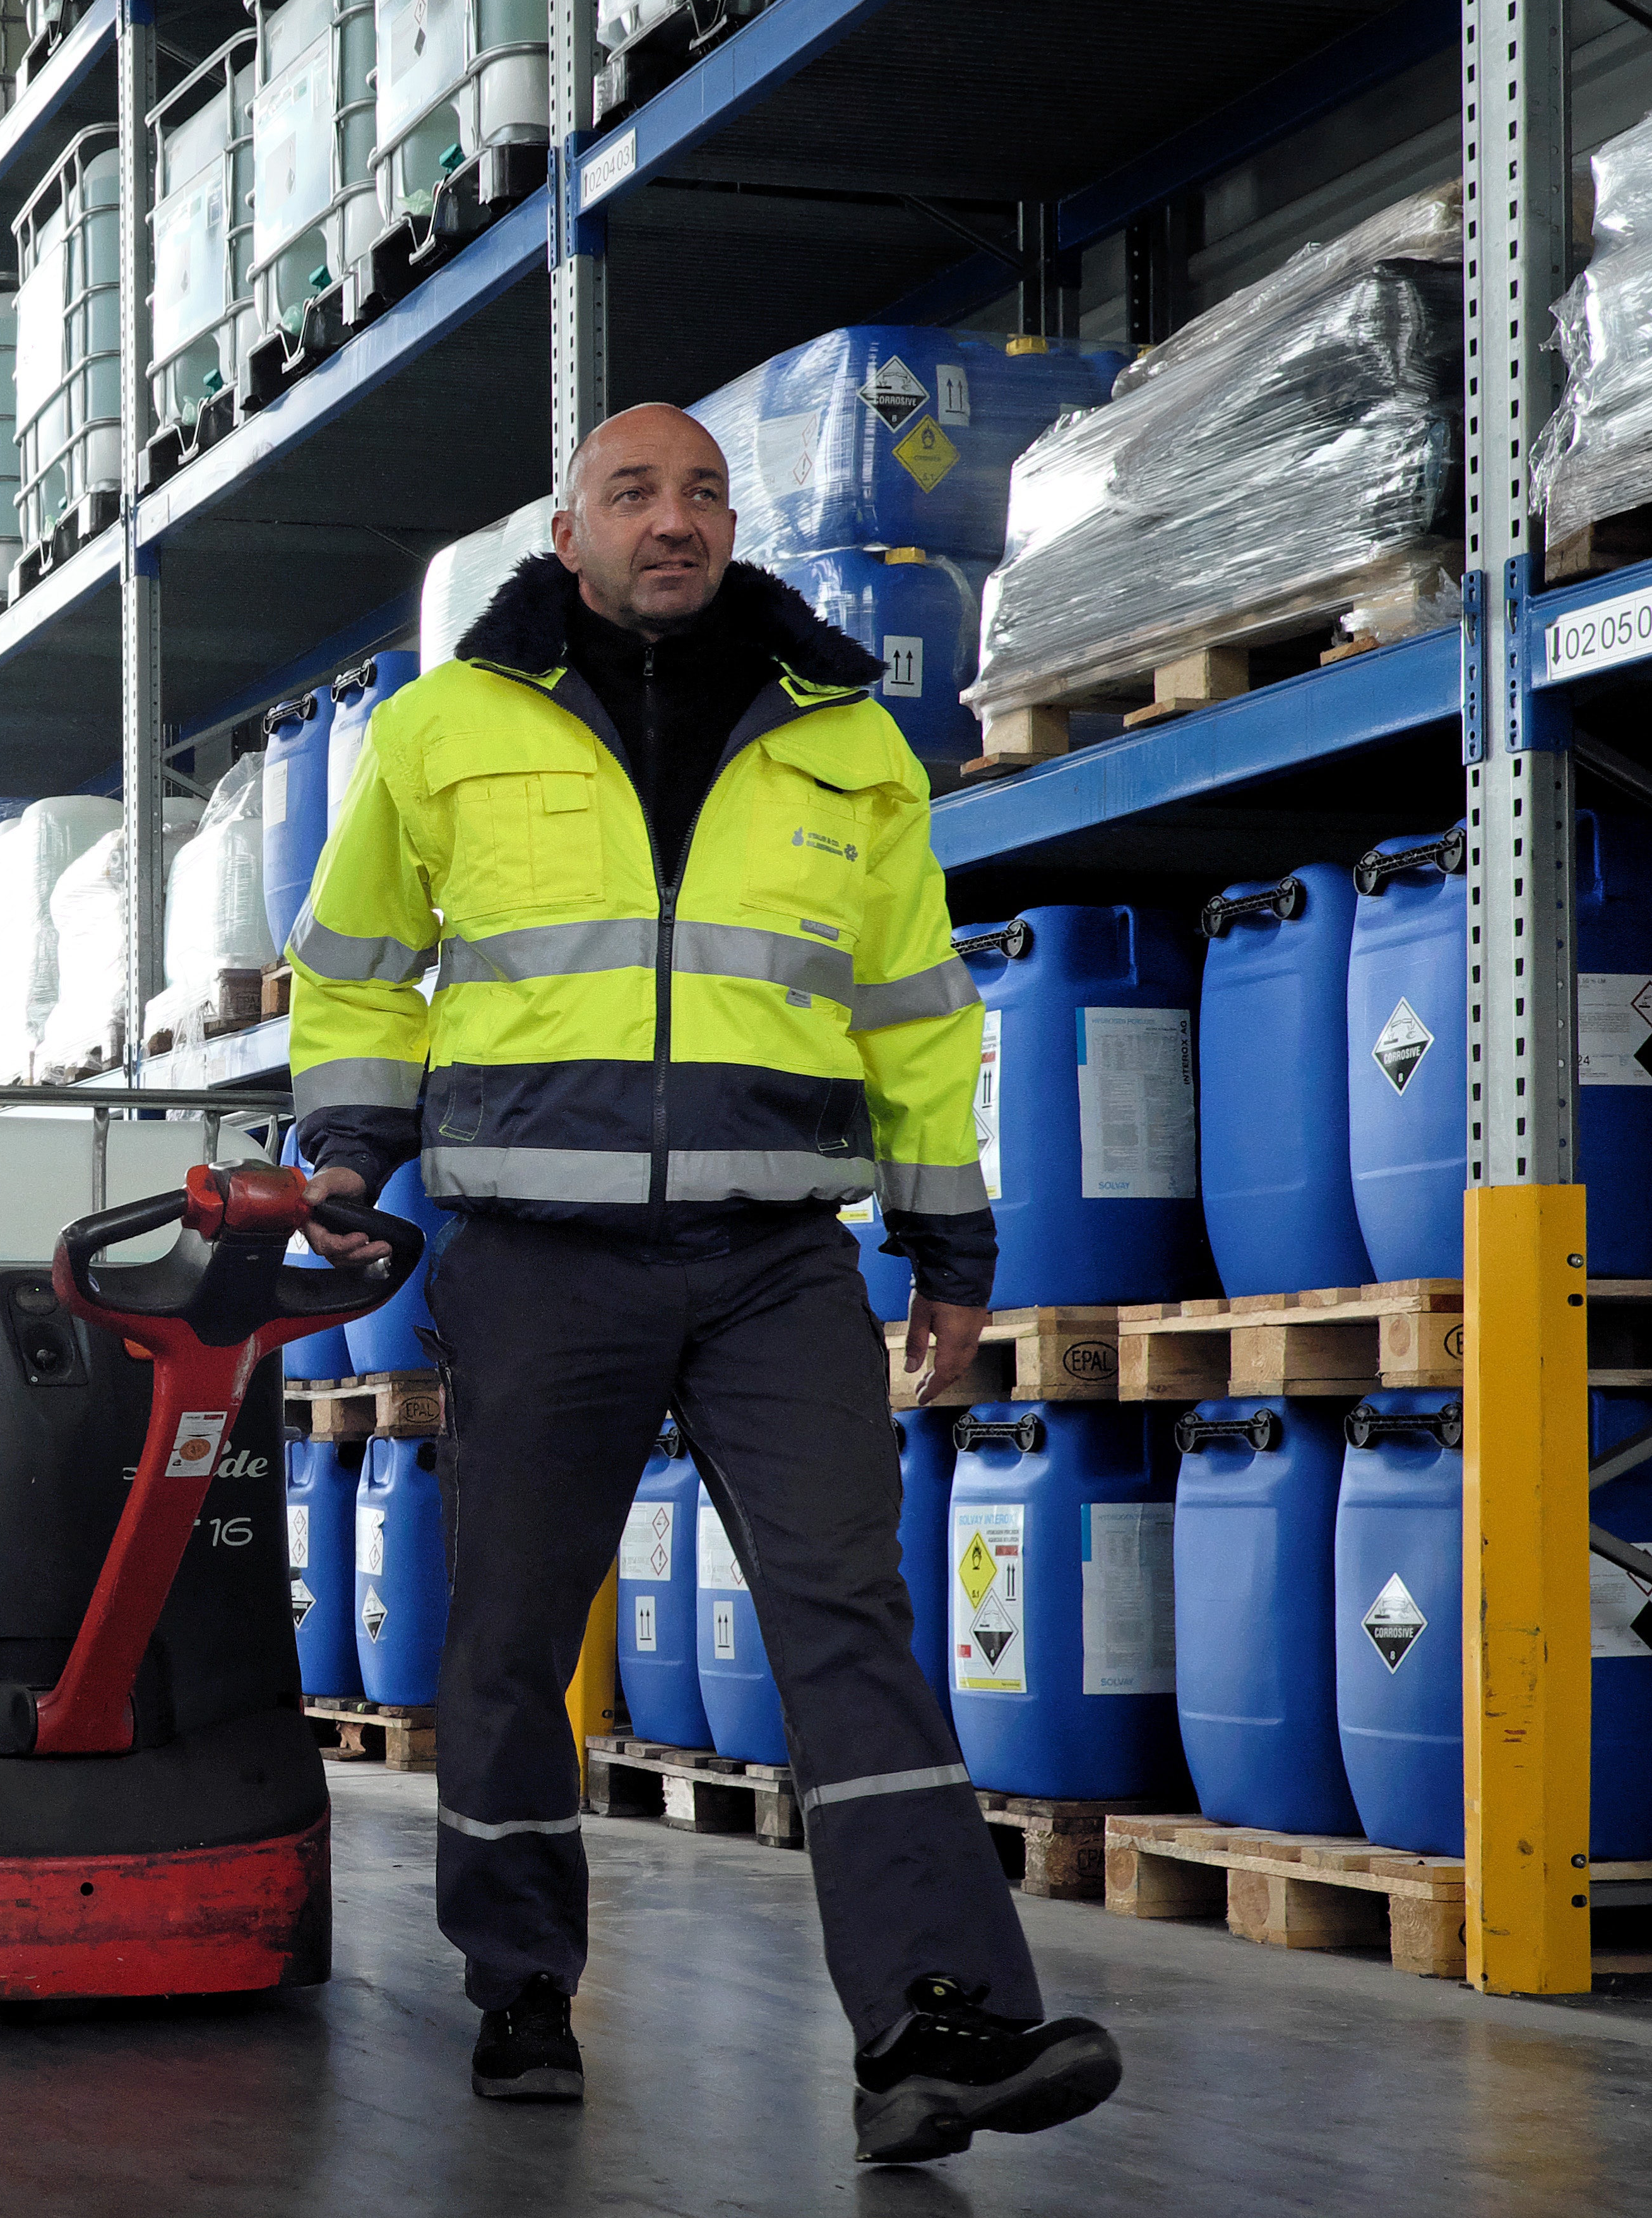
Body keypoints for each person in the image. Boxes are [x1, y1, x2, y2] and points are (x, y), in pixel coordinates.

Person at [286, 404, 1121, 2166]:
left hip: (773, 1260)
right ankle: (519, 1980)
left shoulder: (845, 744)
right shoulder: (446, 733)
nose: (676, 520)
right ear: (570, 530)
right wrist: (347, 1161)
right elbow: (360, 973)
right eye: (635, 493)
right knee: (511, 1631)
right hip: (536, 1260)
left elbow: (913, 1011)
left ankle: (933, 2028)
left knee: (847, 1615)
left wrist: (953, 1244)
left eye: (704, 493)